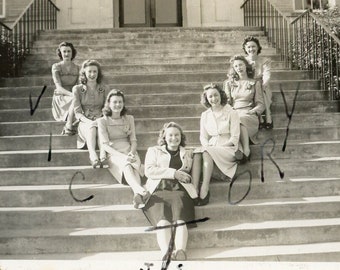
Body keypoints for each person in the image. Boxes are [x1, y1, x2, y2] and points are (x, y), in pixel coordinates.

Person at [143, 122, 198, 261]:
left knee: (180, 218)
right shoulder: (154, 150)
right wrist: (173, 173)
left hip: (179, 191)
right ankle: (166, 252)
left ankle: (180, 251)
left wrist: (186, 177)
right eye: (170, 135)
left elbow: (189, 173)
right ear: (164, 137)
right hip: (157, 191)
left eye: (177, 135)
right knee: (162, 220)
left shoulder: (188, 153)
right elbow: (149, 170)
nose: (174, 138)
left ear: (181, 137)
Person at [97, 89, 148, 209]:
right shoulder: (102, 121)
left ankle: (137, 194)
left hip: (129, 150)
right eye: (114, 102)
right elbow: (105, 145)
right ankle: (140, 190)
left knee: (133, 166)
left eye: (120, 102)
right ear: (108, 104)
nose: (117, 105)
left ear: (123, 103)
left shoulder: (129, 118)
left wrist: (131, 153)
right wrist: (124, 157)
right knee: (126, 164)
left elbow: (133, 140)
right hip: (113, 154)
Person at [191, 83, 240, 206]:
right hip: (212, 145)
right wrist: (207, 145)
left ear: (221, 95)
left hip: (228, 148)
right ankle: (194, 190)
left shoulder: (231, 112)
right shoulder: (205, 115)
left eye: (216, 95)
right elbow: (203, 136)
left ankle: (205, 189)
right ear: (206, 99)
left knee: (207, 152)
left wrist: (215, 148)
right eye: (210, 96)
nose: (214, 99)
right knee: (197, 153)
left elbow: (235, 138)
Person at [223, 55, 265, 160]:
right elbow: (226, 103)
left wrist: (253, 111)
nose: (239, 68)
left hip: (248, 114)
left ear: (246, 66)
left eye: (241, 65)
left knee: (240, 119)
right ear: (233, 69)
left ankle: (246, 149)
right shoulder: (229, 83)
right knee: (235, 119)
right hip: (234, 112)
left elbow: (261, 104)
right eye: (236, 66)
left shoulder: (255, 83)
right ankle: (240, 151)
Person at [72, 59, 109, 168]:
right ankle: (93, 156)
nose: (92, 74)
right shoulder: (77, 89)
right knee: (91, 126)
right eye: (89, 72)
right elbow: (78, 113)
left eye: (95, 72)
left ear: (98, 73)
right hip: (85, 121)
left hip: (101, 119)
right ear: (84, 73)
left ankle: (103, 155)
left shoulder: (104, 88)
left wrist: (100, 119)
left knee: (101, 126)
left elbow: (107, 109)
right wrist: (89, 121)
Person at [242, 36, 273, 129]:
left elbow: (267, 74)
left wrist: (264, 84)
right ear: (245, 49)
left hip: (261, 84)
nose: (251, 49)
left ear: (258, 47)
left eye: (253, 46)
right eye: (248, 47)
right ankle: (258, 120)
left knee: (261, 92)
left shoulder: (265, 61)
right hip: (248, 84)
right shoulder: (243, 61)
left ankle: (268, 119)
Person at [51, 42, 80, 135]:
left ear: (72, 53)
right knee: (75, 100)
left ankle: (68, 124)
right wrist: (73, 95)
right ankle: (69, 124)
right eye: (64, 51)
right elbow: (58, 87)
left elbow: (79, 86)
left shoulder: (77, 68)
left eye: (69, 51)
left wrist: (76, 94)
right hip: (61, 97)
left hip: (74, 95)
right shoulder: (56, 67)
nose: (67, 54)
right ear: (60, 53)